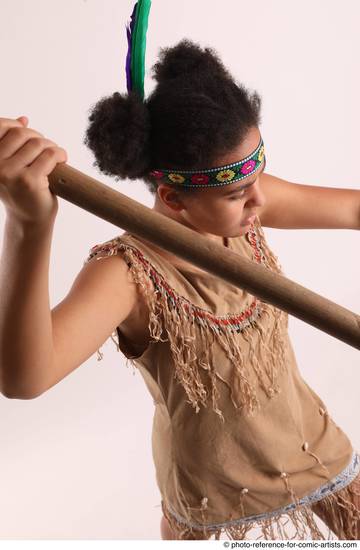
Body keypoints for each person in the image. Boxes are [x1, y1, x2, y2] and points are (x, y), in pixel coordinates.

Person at [0, 39, 359, 540]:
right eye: (237, 192)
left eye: (259, 173)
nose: (261, 197)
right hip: (209, 489)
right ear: (172, 196)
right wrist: (28, 224)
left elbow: (352, 209)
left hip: (310, 447)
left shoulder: (246, 203)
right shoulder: (128, 273)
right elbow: (25, 378)